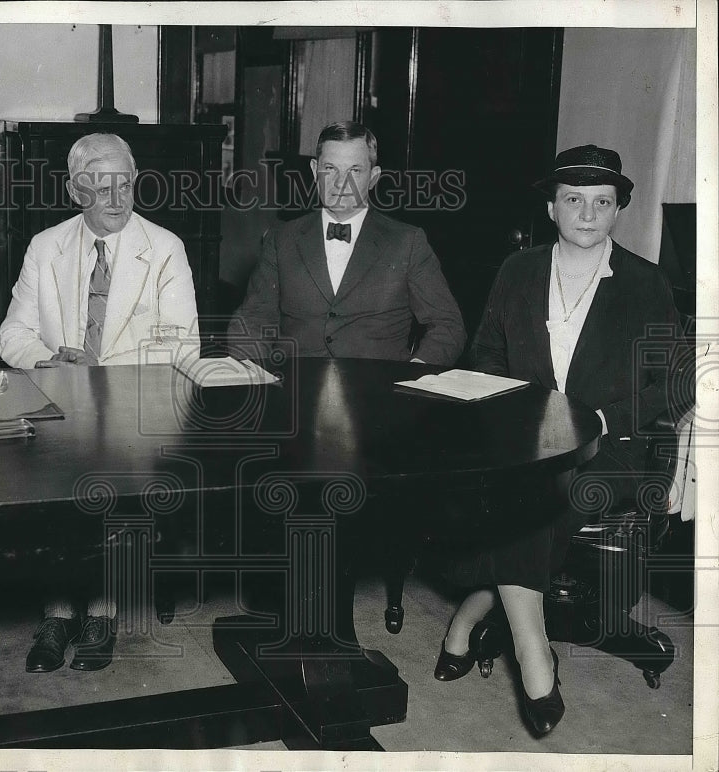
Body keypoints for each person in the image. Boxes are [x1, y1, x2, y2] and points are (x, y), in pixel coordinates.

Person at [435, 144, 679, 736]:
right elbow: (485, 352)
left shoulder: (645, 283)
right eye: (574, 200)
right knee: (528, 486)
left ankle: (505, 638)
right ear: (552, 208)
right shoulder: (518, 271)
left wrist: (595, 415)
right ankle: (526, 642)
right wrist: (522, 408)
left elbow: (669, 383)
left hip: (615, 446)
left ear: (618, 210)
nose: (588, 213)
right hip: (526, 441)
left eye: (602, 202)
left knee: (533, 500)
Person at [0, 132, 199, 673]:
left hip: (137, 407)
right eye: (100, 187)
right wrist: (46, 362)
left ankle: (103, 611)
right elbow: (11, 334)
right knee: (52, 475)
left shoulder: (164, 248)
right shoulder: (47, 246)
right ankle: (59, 612)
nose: (116, 199)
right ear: (75, 190)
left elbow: (184, 346)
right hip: (60, 403)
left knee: (111, 476)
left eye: (125, 185)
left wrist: (98, 373)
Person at [230, 120, 465, 365]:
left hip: (378, 394)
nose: (341, 183)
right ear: (314, 170)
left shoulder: (407, 242)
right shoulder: (281, 239)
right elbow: (252, 320)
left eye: (354, 171)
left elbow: (448, 326)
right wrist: (252, 376)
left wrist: (413, 375)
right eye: (330, 169)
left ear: (374, 177)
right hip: (295, 391)